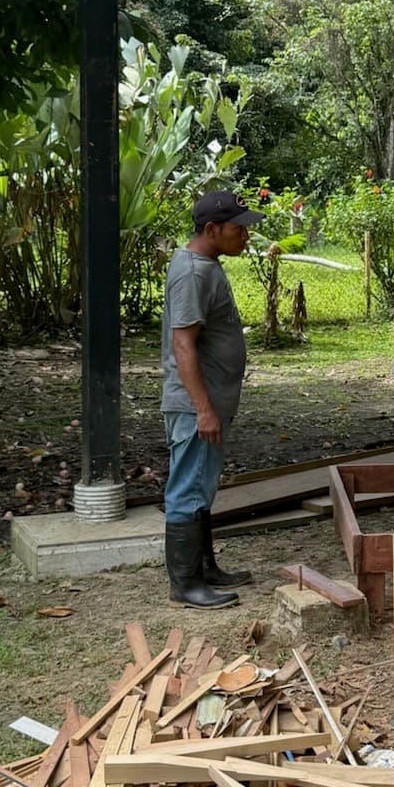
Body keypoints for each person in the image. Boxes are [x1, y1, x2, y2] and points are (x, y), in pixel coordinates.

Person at [161, 188, 262, 606]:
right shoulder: (193, 273)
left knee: (200, 485)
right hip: (195, 406)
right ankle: (186, 584)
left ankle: (204, 569)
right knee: (188, 488)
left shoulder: (205, 266)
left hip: (208, 401)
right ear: (211, 229)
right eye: (238, 229)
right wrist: (203, 408)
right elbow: (183, 345)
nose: (245, 236)